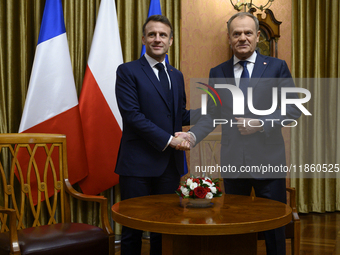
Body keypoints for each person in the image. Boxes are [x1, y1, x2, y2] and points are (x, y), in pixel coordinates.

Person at [176, 12, 301, 255]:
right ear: (229, 38)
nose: (242, 38)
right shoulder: (218, 71)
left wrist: (261, 123)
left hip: (269, 162)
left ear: (256, 36)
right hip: (234, 163)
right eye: (236, 34)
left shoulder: (276, 67)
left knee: (274, 227)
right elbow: (212, 115)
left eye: (247, 33)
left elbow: (293, 108)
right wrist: (192, 136)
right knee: (236, 228)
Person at [115, 15, 199, 255]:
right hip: (137, 165)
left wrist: (210, 112)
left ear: (171, 41)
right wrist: (171, 140)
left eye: (163, 35)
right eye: (152, 34)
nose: (157, 39)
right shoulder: (127, 71)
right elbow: (132, 116)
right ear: (143, 39)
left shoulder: (176, 74)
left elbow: (178, 116)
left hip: (169, 167)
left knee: (165, 227)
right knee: (133, 228)